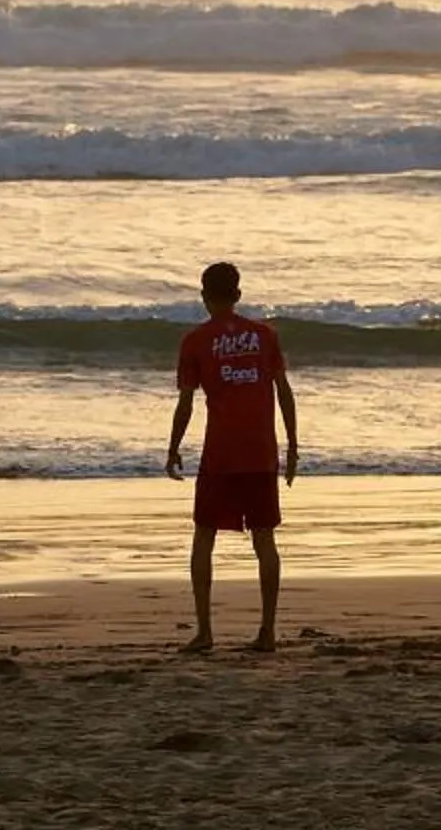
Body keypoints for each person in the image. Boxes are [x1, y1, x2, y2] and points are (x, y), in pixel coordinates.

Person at [167, 261, 298, 653]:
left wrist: (173, 448)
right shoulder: (265, 335)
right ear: (238, 295)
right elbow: (284, 391)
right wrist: (292, 445)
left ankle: (205, 631)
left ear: (204, 295)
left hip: (220, 453)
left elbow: (186, 403)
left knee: (204, 536)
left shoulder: (194, 341)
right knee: (265, 541)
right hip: (260, 451)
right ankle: (267, 631)